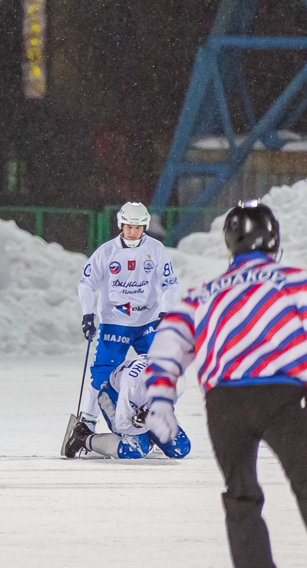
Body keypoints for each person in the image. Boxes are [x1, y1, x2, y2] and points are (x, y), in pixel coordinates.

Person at [142, 201, 307, 567]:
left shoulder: (203, 292)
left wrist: (161, 399)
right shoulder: (294, 281)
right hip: (281, 396)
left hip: (224, 404)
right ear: (274, 239)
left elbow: (169, 344)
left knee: (240, 496)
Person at [72, 201, 179, 439]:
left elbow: (171, 284)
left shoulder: (156, 249)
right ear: (121, 225)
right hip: (115, 324)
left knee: (159, 370)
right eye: (129, 226)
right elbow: (86, 283)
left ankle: (153, 416)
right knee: (102, 375)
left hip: (147, 323)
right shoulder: (106, 252)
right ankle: (87, 422)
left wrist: (165, 311)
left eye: (138, 227)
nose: (133, 232)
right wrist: (87, 314)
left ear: (145, 227)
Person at [62, 355, 190, 460]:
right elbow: (123, 423)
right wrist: (142, 423)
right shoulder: (132, 385)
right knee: (135, 449)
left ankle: (146, 436)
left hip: (139, 400)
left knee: (180, 447)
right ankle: (83, 438)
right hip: (114, 396)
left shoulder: (177, 379)